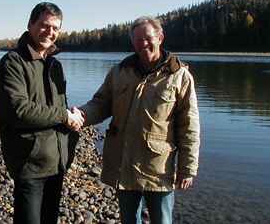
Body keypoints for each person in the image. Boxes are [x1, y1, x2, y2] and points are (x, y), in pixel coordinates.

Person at [76, 16, 200, 224]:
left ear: (160, 37)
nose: (142, 44)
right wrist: (79, 115)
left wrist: (187, 168)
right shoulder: (119, 72)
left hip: (158, 169)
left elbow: (189, 126)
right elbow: (100, 104)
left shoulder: (180, 76)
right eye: (137, 40)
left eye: (148, 38)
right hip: (123, 165)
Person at [0, 2, 83, 224]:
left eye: (55, 28)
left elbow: (59, 105)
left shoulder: (54, 65)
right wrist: (63, 115)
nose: (49, 32)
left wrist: (73, 117)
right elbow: (19, 111)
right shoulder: (13, 63)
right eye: (44, 25)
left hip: (57, 162)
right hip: (30, 164)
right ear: (30, 24)